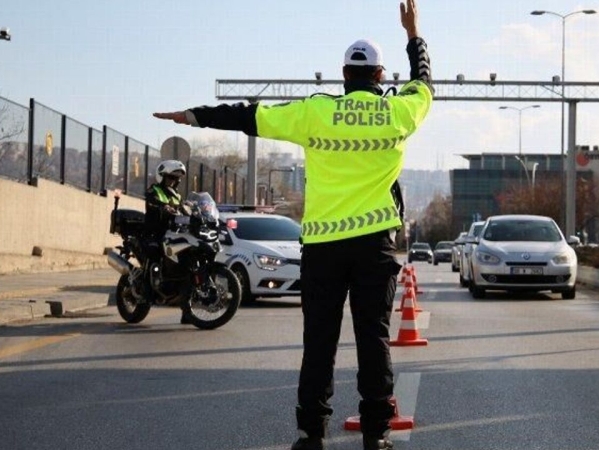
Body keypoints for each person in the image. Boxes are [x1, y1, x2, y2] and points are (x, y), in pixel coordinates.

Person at [153, 1, 432, 447]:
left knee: (318, 344)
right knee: (373, 339)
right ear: (380, 77)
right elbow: (423, 82)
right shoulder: (399, 113)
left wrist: (193, 115)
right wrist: (413, 31)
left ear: (344, 75)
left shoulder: (315, 111)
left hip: (323, 247)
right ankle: (377, 434)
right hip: (374, 245)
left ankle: (311, 434)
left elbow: (249, 116)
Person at [143, 159, 189, 323]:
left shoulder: (177, 195)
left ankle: (187, 312)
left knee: (185, 269)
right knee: (154, 255)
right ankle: (147, 293)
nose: (174, 181)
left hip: (173, 235)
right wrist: (163, 207)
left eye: (176, 179)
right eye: (171, 178)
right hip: (155, 233)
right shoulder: (153, 190)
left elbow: (184, 210)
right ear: (161, 177)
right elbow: (152, 201)